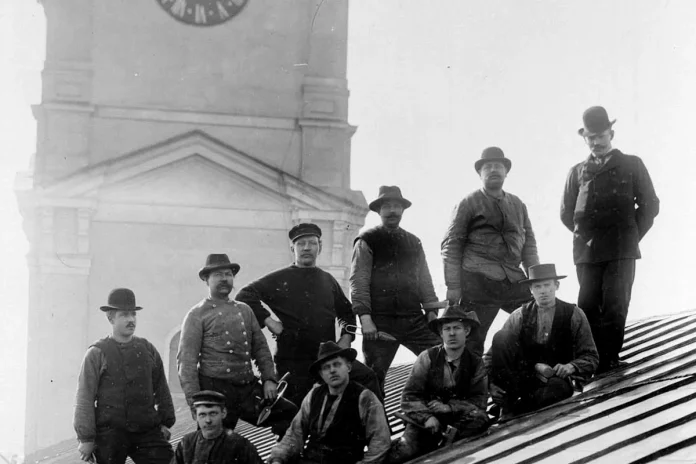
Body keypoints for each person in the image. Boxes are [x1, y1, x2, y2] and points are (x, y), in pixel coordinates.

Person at [236, 223, 381, 407]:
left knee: (367, 378)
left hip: (325, 357)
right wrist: (271, 322)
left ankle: (378, 433)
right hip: (293, 359)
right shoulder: (279, 278)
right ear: (292, 248)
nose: (306, 248)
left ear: (319, 247)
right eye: (300, 243)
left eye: (312, 243)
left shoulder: (327, 279)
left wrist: (346, 337)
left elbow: (346, 311)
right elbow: (245, 295)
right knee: (293, 412)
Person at [561, 106, 660, 373]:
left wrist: (628, 236)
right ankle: (592, 360)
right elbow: (566, 214)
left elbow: (650, 206)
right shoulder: (576, 172)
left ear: (611, 134)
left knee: (616, 303)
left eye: (600, 136)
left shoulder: (631, 164)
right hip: (588, 252)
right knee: (588, 305)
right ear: (584, 139)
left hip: (621, 248)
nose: (596, 142)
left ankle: (610, 358)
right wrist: (588, 237)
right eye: (590, 137)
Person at [177, 254, 297, 438]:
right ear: (206, 280)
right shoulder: (196, 315)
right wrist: (196, 403)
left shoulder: (245, 310)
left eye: (228, 274)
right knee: (214, 444)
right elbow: (186, 363)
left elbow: (261, 348)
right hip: (215, 392)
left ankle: (279, 457)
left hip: (247, 388)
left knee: (288, 413)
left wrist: (269, 380)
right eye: (217, 274)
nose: (224, 279)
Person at [441, 147, 540, 357]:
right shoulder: (468, 203)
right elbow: (451, 245)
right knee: (472, 340)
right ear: (480, 173)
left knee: (536, 321)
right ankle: (471, 388)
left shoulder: (518, 204)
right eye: (488, 167)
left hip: (513, 280)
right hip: (477, 282)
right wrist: (453, 286)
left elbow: (529, 245)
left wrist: (536, 279)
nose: (494, 170)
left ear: (506, 172)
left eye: (499, 166)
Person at [350, 185, 443, 394]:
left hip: (413, 319)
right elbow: (359, 281)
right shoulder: (367, 240)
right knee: (374, 378)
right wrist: (365, 320)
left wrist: (431, 313)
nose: (392, 211)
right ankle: (379, 426)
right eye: (387, 206)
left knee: (442, 360)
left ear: (402, 210)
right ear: (379, 211)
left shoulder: (413, 242)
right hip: (380, 323)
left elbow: (425, 280)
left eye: (396, 206)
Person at [73, 288, 175, 463]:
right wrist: (86, 438)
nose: (131, 320)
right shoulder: (97, 353)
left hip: (146, 431)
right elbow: (84, 397)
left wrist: (166, 422)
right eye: (124, 315)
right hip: (110, 434)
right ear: (110, 318)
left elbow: (161, 388)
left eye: (133, 315)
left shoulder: (147, 349)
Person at [488, 264, 599, 416]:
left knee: (559, 389)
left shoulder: (574, 314)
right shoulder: (519, 315)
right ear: (530, 290)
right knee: (501, 336)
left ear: (556, 286)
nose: (543, 290)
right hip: (524, 379)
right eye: (537, 286)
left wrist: (571, 366)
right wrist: (491, 385)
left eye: (547, 285)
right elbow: (491, 356)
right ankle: (509, 400)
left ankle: (514, 407)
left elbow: (591, 356)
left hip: (554, 380)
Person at [390, 305, 490, 462]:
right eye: (446, 329)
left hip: (458, 422)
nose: (451, 333)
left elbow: (479, 401)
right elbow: (409, 397)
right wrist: (426, 418)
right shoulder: (427, 358)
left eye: (457, 328)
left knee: (479, 420)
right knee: (404, 453)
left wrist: (450, 407)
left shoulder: (476, 363)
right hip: (426, 422)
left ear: (467, 331)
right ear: (440, 333)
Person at [268, 342, 391, 464]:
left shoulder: (365, 398)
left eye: (337, 364)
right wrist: (278, 458)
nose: (332, 370)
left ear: (348, 367)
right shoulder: (314, 395)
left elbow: (380, 443)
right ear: (321, 374)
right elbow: (294, 434)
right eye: (326, 367)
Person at [173, 390, 263, 464]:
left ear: (223, 413)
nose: (208, 420)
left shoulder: (239, 444)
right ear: (195, 416)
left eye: (213, 413)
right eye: (202, 415)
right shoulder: (186, 443)